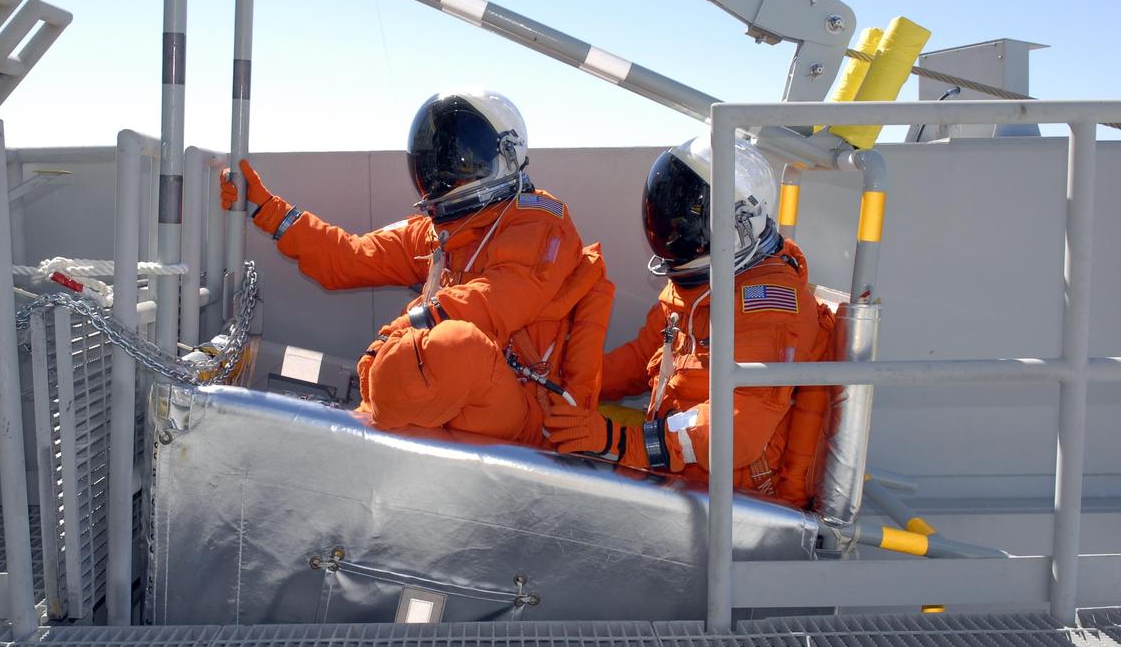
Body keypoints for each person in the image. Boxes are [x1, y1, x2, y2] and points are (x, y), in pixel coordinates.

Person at [221, 89, 613, 446]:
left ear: (506, 156)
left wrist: (398, 334)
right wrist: (267, 210)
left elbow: (491, 302)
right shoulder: (440, 231)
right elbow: (351, 258)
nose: (446, 172)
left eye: (461, 159)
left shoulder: (542, 226)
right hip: (462, 396)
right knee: (422, 362)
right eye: (439, 159)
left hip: (529, 414)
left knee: (450, 348)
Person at [543, 134, 832, 507]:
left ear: (736, 223)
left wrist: (620, 442)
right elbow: (639, 358)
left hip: (736, 497)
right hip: (678, 466)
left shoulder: (769, 306)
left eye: (685, 217)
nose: (673, 228)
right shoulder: (696, 290)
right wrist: (565, 382)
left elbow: (735, 429)